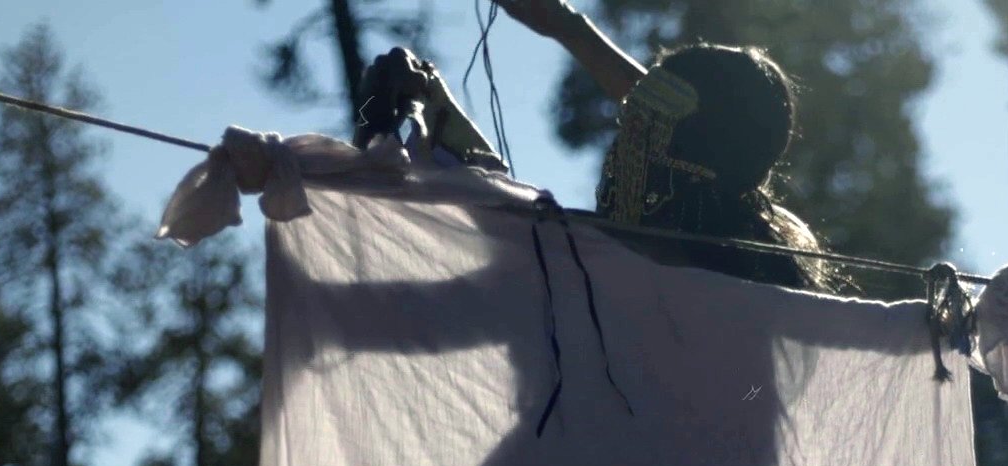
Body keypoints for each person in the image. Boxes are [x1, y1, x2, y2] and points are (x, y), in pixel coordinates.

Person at [358, 2, 843, 293]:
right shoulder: (764, 257)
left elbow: (512, 230)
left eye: (640, 123)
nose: (624, 135)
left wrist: (378, 132)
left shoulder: (639, 264)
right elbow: (690, 122)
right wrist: (564, 24)